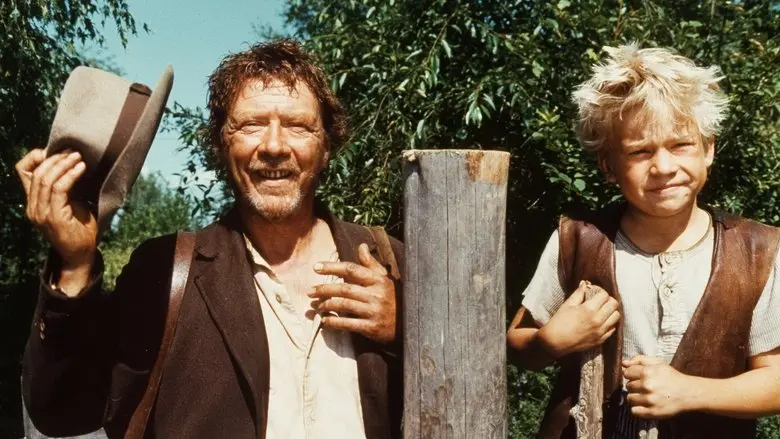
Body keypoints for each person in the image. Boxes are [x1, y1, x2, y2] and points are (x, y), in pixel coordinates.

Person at [17, 39, 403, 439]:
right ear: (220, 145)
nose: (274, 146)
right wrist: (74, 264)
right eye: (251, 125)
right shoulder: (164, 272)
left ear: (326, 147)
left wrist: (410, 327)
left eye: (297, 126)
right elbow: (63, 412)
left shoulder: (391, 264)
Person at [507, 43, 780, 438]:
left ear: (708, 149)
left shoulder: (760, 252)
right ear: (608, 166)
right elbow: (517, 345)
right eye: (640, 152)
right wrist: (550, 342)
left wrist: (690, 392)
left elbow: (775, 380)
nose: (664, 167)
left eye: (681, 145)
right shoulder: (577, 240)